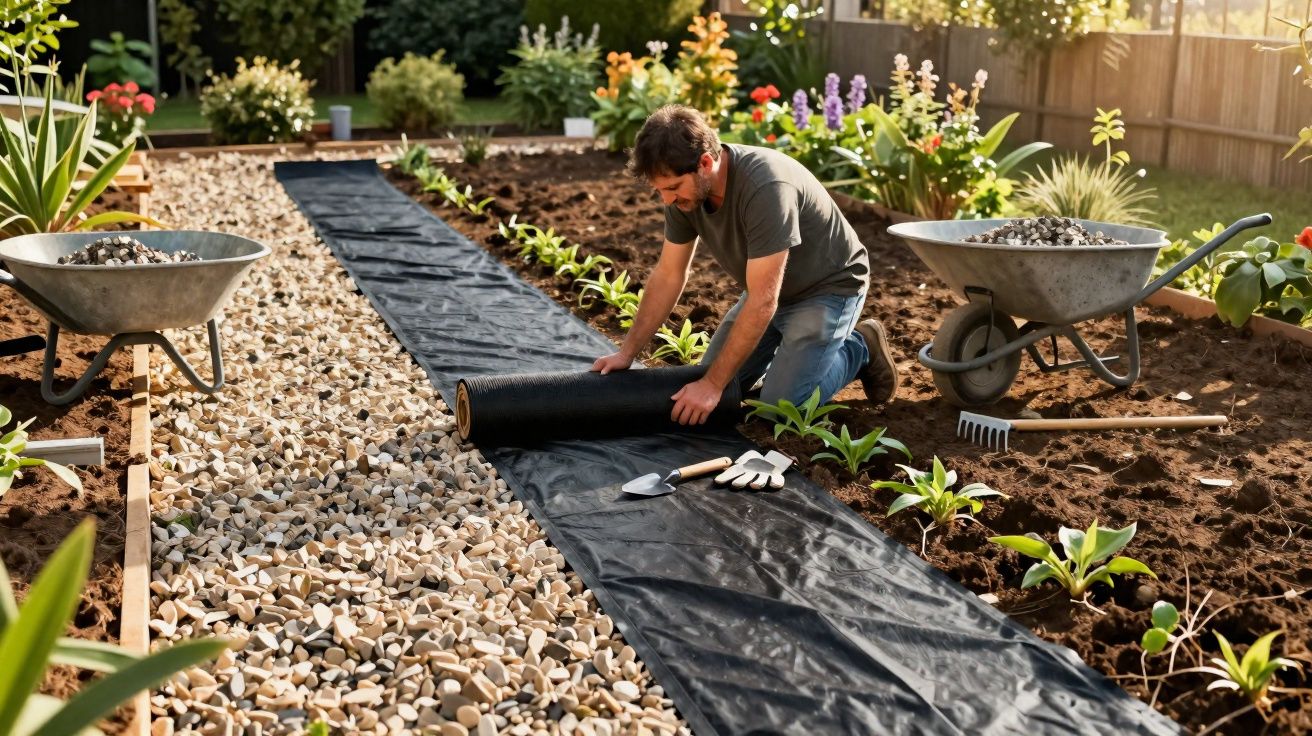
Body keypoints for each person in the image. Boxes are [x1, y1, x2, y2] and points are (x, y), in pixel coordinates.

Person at [590, 104, 899, 425]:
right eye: (659, 191)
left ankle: (859, 348)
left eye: (671, 188)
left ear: (705, 163)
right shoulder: (684, 195)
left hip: (828, 288)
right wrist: (627, 353)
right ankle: (798, 357)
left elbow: (764, 299)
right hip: (767, 290)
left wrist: (711, 386)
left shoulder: (766, 187)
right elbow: (669, 274)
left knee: (780, 409)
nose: (667, 200)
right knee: (712, 385)